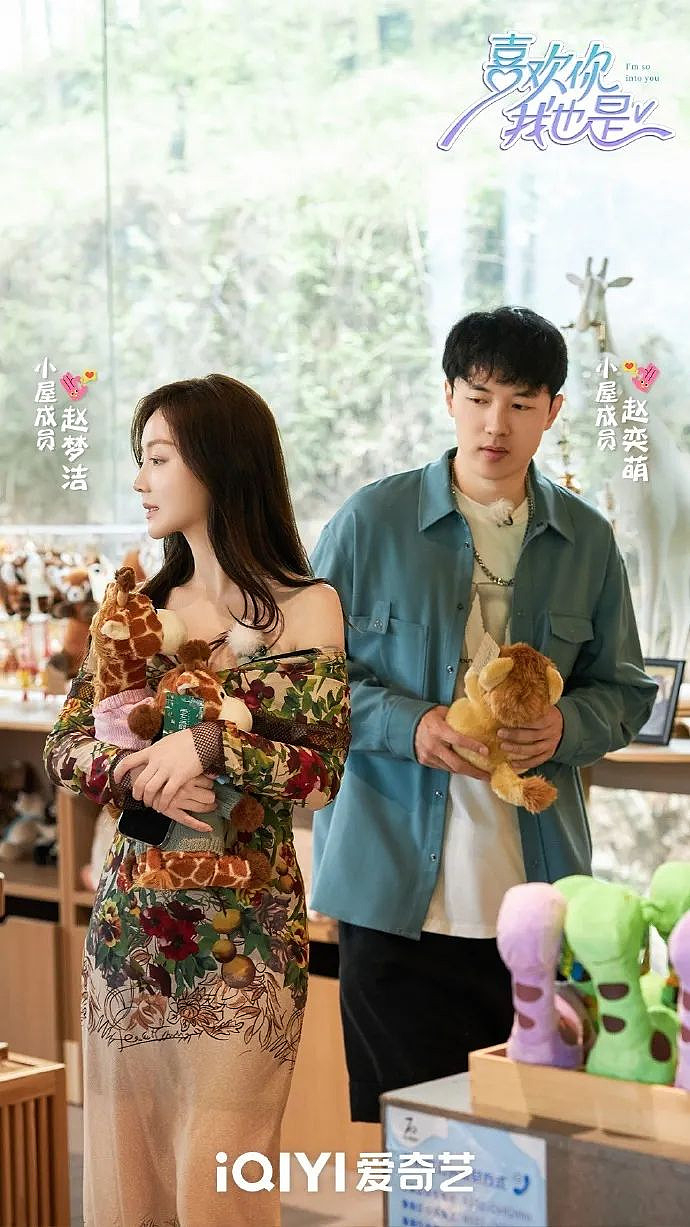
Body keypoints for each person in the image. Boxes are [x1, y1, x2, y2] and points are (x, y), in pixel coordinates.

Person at [309, 306, 657, 1124]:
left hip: (534, 908)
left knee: (532, 1139)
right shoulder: (369, 522)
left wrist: (568, 727)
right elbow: (302, 683)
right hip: (391, 900)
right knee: (415, 1140)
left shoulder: (588, 541)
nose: (496, 423)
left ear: (553, 411)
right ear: (449, 397)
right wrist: (410, 724)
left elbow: (625, 690)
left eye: (521, 403)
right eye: (478, 397)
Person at [44, 374, 350, 1226]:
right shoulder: (137, 612)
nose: (139, 479)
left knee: (223, 1189)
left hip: (246, 942)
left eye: (157, 458)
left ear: (218, 462)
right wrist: (139, 769)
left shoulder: (306, 607)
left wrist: (209, 744)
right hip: (131, 931)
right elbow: (65, 747)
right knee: (125, 1183)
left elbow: (320, 771)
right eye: (139, 459)